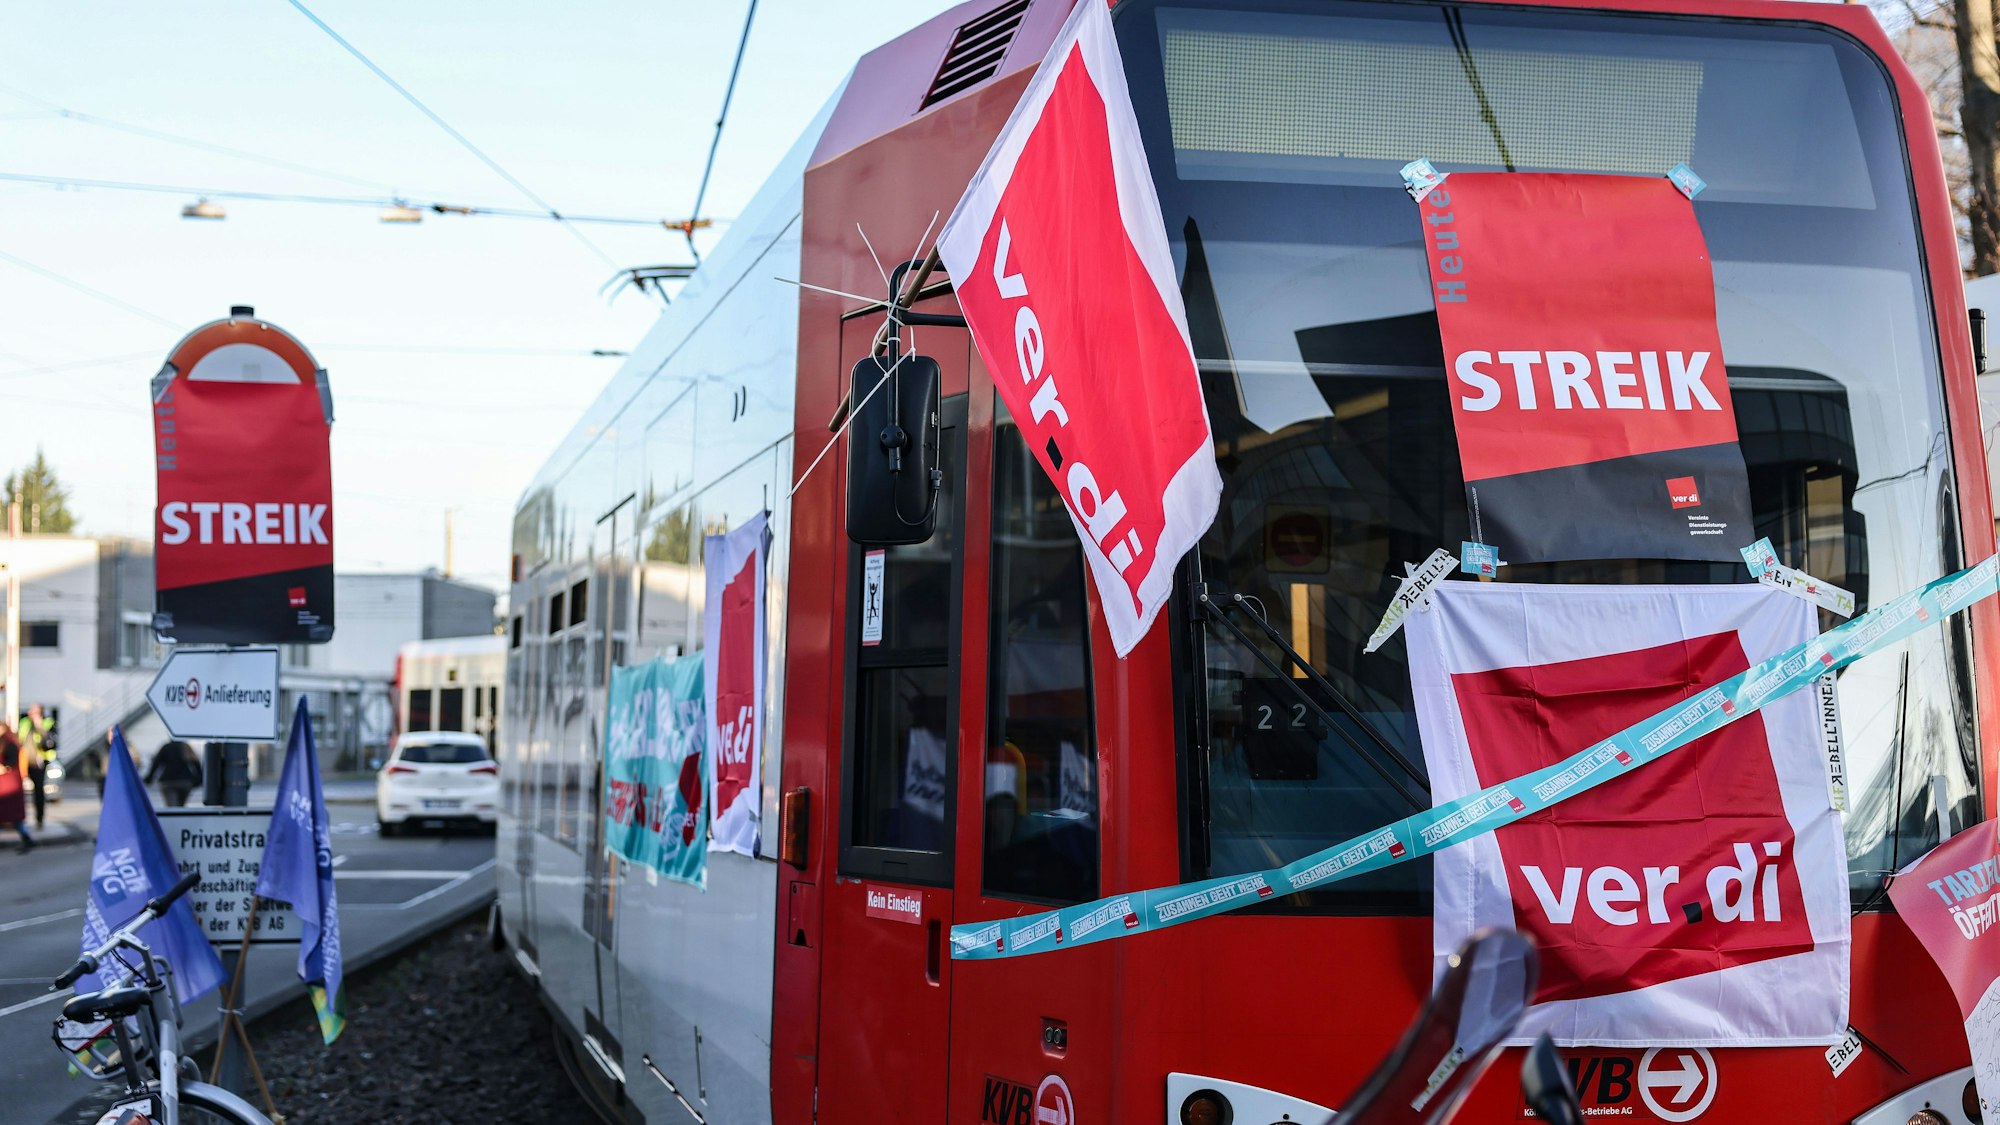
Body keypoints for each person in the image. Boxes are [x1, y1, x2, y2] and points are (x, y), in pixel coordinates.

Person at [0, 723, 34, 852]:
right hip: (6, 785)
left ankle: (27, 838)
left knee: (14, 815)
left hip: (9, 785)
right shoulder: (5, 742)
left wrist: (4, 768)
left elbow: (11, 762)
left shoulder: (9, 743)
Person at [19, 704, 52, 829]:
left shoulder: (47, 723)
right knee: (18, 791)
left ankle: (39, 819)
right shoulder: (24, 723)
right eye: (30, 711)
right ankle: (19, 818)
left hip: (38, 763)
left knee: (38, 791)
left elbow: (48, 741)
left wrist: (38, 725)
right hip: (24, 762)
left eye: (34, 711)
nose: (31, 713)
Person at [144, 740, 203, 808]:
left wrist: (149, 778)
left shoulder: (166, 747)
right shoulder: (185, 747)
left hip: (168, 781)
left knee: (172, 806)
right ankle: (179, 817)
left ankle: (176, 817)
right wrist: (199, 779)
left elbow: (156, 763)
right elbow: (196, 763)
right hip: (185, 781)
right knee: (181, 806)